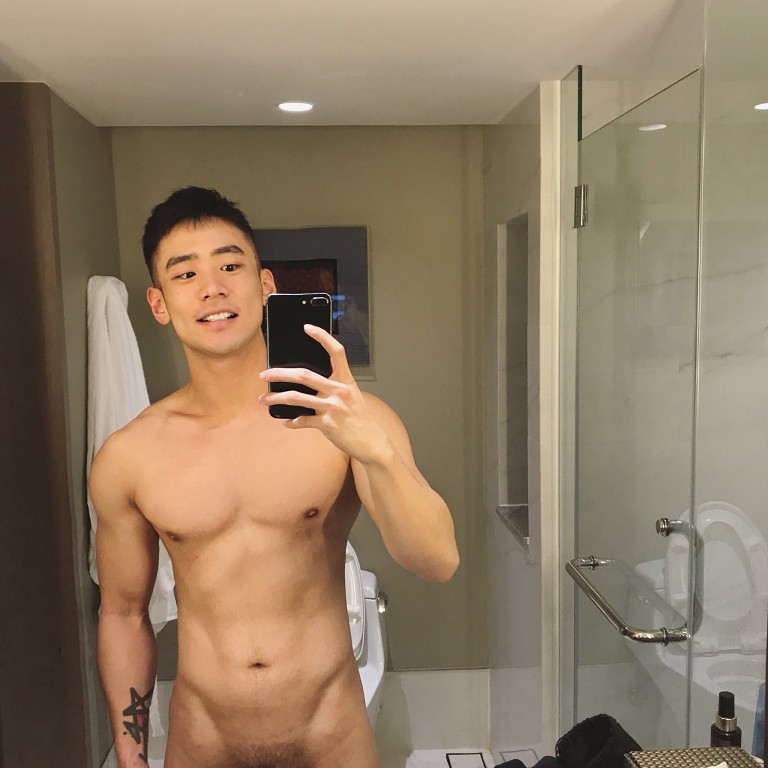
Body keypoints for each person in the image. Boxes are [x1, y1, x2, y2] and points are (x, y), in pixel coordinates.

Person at [90, 186, 460, 768]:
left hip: (332, 740)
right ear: (159, 304)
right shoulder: (129, 455)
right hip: (203, 745)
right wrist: (132, 759)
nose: (212, 288)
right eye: (185, 274)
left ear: (265, 286)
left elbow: (436, 561)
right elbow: (122, 614)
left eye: (230, 265)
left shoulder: (349, 421)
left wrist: (377, 453)